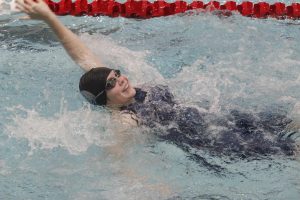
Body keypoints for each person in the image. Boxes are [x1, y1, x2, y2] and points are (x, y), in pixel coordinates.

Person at [15, 0, 299, 167]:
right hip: (214, 141)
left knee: (286, 120)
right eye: (112, 83)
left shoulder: (118, 88)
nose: (120, 79)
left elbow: (84, 57)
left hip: (217, 117)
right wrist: (139, 185)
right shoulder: (125, 119)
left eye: (116, 73)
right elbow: (117, 154)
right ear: (106, 99)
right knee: (288, 150)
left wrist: (51, 18)